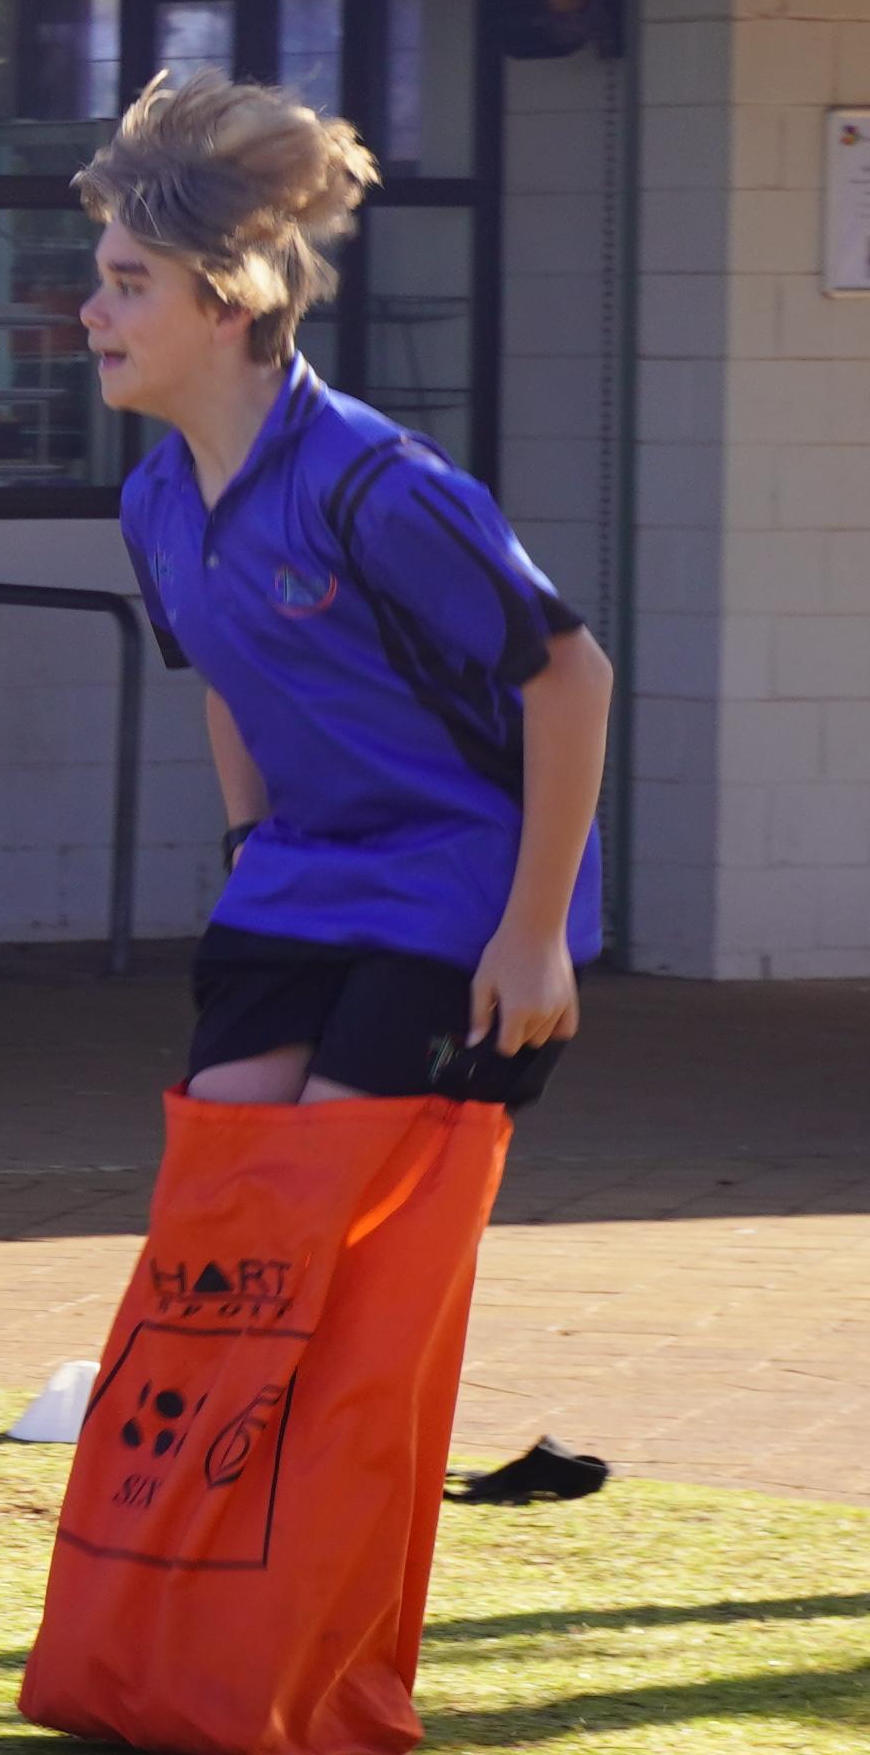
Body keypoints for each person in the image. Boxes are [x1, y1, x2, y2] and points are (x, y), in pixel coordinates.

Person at [78, 74, 614, 1109]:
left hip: (462, 890)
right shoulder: (155, 501)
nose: (91, 312)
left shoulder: (380, 486)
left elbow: (573, 677)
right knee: (229, 1159)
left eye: (130, 285)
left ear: (230, 301)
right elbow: (232, 678)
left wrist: (536, 934)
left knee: (342, 1164)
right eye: (100, 280)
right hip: (302, 886)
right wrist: (248, 843)